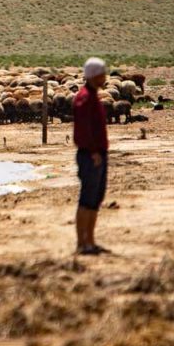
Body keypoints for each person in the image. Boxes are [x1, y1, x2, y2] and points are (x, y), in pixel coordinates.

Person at [73, 57, 110, 255]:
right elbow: (84, 129)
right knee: (87, 197)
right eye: (102, 73)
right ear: (94, 75)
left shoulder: (93, 96)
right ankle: (81, 242)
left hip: (98, 153)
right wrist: (93, 151)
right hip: (90, 155)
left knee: (96, 198)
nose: (104, 77)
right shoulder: (85, 98)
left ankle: (91, 240)